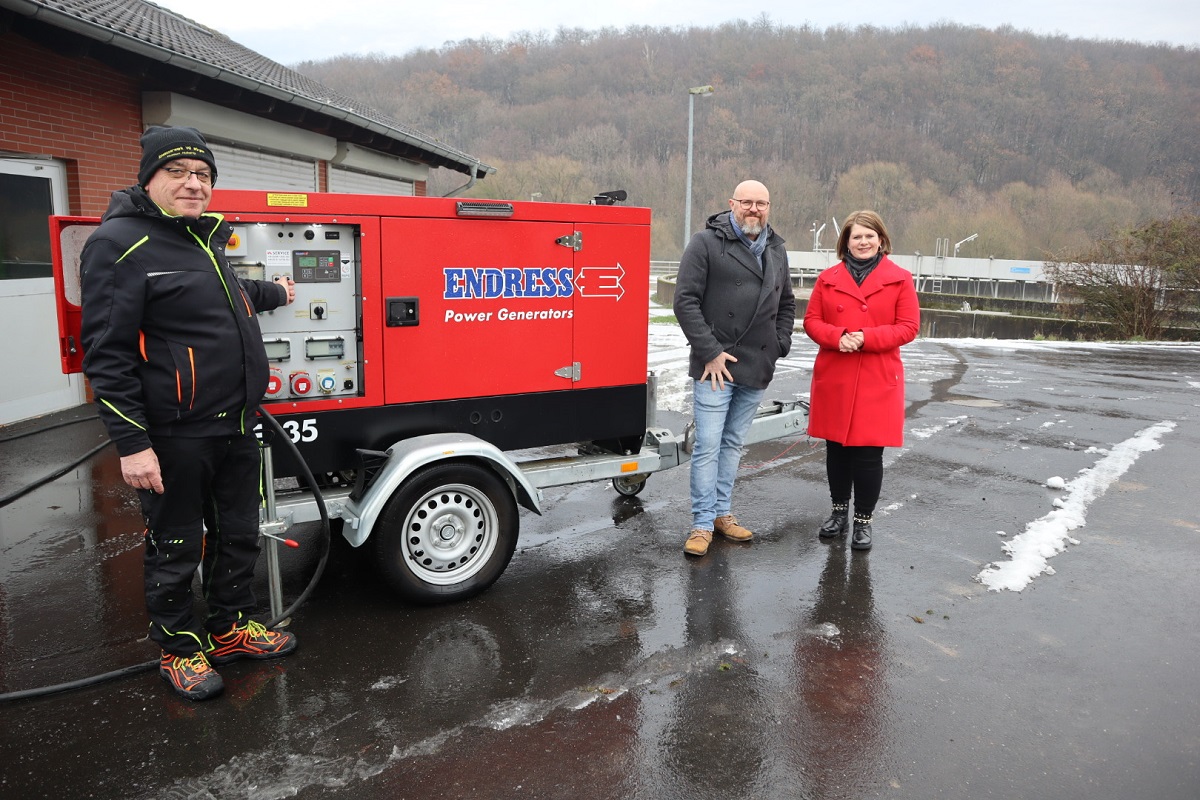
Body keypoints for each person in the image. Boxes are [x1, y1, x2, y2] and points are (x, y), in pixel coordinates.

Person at [80, 126, 299, 701]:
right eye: (177, 172)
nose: (192, 183)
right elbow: (106, 351)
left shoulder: (205, 240)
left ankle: (229, 628)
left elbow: (223, 296)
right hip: (175, 432)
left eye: (202, 175)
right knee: (177, 541)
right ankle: (179, 648)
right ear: (149, 179)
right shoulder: (118, 243)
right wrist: (132, 444)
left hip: (235, 425)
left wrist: (274, 292)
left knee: (238, 533)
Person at [673, 180, 796, 556]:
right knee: (709, 445)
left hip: (757, 363)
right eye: (747, 202)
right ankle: (700, 523)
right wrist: (709, 351)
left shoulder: (775, 248)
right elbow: (685, 301)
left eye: (761, 203)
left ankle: (722, 514)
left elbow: (787, 303)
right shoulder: (706, 243)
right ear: (732, 204)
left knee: (732, 444)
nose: (754, 209)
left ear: (769, 207)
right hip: (716, 366)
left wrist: (778, 346)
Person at [803, 210, 919, 551]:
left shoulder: (899, 278)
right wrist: (838, 336)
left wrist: (865, 338)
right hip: (836, 373)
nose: (863, 242)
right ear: (846, 242)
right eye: (857, 236)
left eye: (870, 236)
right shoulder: (828, 278)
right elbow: (811, 321)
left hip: (876, 376)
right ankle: (838, 513)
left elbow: (909, 326)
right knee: (836, 451)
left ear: (881, 239)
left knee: (869, 455)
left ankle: (863, 521)